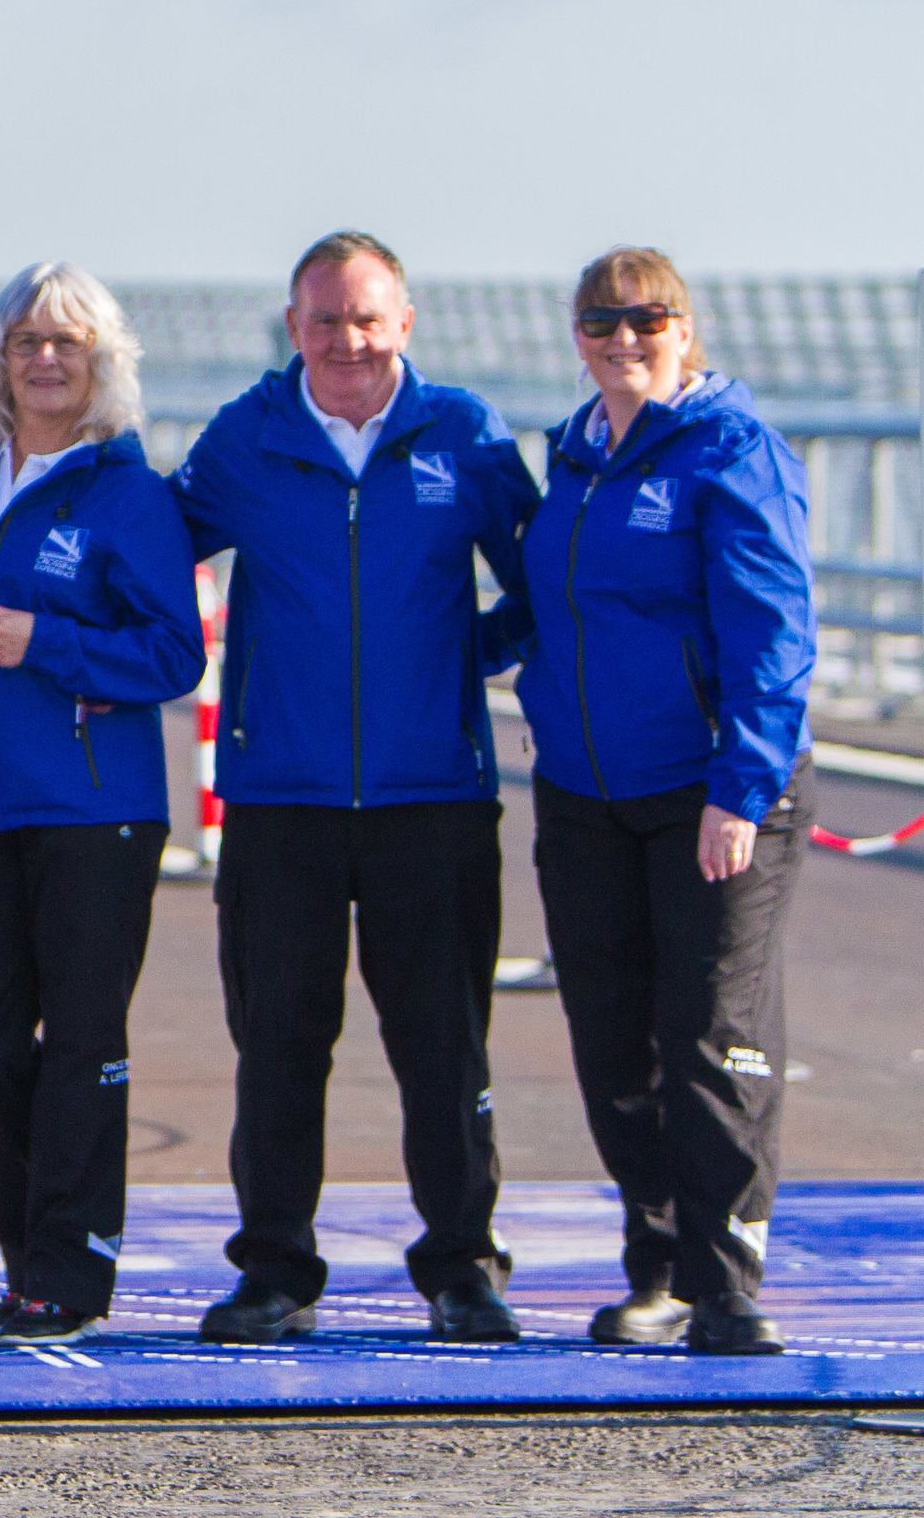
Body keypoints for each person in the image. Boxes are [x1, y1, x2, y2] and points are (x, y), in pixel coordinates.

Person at [169, 233, 541, 1346]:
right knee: (279, 1042)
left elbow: (544, 579)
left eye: (367, 318)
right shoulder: (247, 438)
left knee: (443, 1045)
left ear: (406, 323)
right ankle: (276, 1267)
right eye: (325, 320)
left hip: (432, 797)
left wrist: (456, 660)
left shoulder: (465, 437)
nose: (347, 340)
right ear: (294, 329)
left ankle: (463, 1267)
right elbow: (146, 558)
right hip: (282, 799)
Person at [516, 248, 813, 1356]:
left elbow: (773, 637)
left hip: (713, 791)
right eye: (602, 323)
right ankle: (659, 1267)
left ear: (685, 330)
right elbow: (555, 613)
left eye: (647, 321)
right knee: (610, 1041)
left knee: (708, 1034)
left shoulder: (733, 454)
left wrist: (740, 789)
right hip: (587, 791)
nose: (624, 340)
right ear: (578, 336)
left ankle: (726, 1282)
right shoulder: (575, 458)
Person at [0, 263, 205, 1347]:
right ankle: (34, 1244)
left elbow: (176, 650)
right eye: (28, 341)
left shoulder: (128, 493)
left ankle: (67, 1270)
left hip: (96, 812)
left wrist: (52, 644)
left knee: (83, 1041)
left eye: (68, 345)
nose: (46, 360)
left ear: (101, 365)